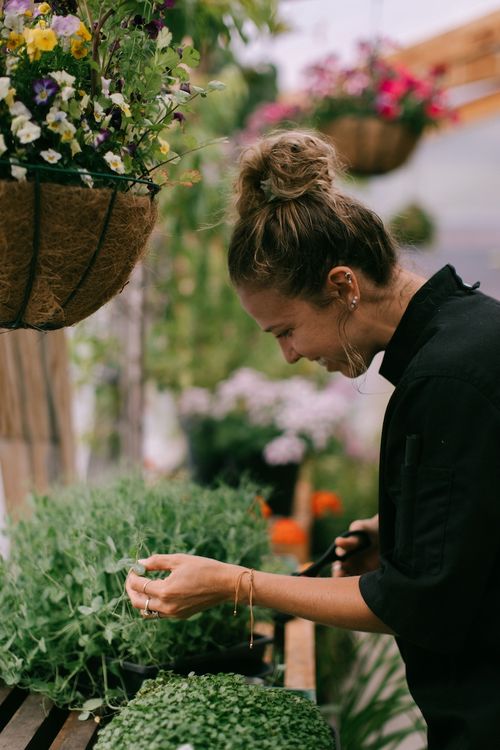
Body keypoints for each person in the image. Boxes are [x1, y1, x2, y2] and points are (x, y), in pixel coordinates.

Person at [127, 130, 500, 750]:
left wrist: (234, 583)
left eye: (287, 331)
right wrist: (403, 526)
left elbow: (416, 604)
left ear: (342, 286)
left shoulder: (446, 378)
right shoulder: (470, 331)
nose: (291, 354)